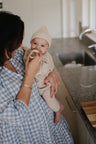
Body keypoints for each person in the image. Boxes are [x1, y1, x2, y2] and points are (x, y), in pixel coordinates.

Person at [0, 11, 74, 144]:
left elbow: (44, 61)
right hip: (26, 137)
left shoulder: (16, 54)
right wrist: (29, 75)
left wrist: (52, 73)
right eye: (19, 40)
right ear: (6, 43)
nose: (21, 44)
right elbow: (15, 116)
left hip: (48, 126)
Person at [23, 26, 64, 123]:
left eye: (42, 46)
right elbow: (25, 62)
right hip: (34, 86)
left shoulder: (47, 56)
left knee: (49, 100)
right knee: (48, 100)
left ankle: (58, 110)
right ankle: (59, 105)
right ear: (30, 43)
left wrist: (49, 72)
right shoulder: (29, 53)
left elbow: (50, 68)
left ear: (47, 47)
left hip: (44, 86)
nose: (37, 47)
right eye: (35, 43)